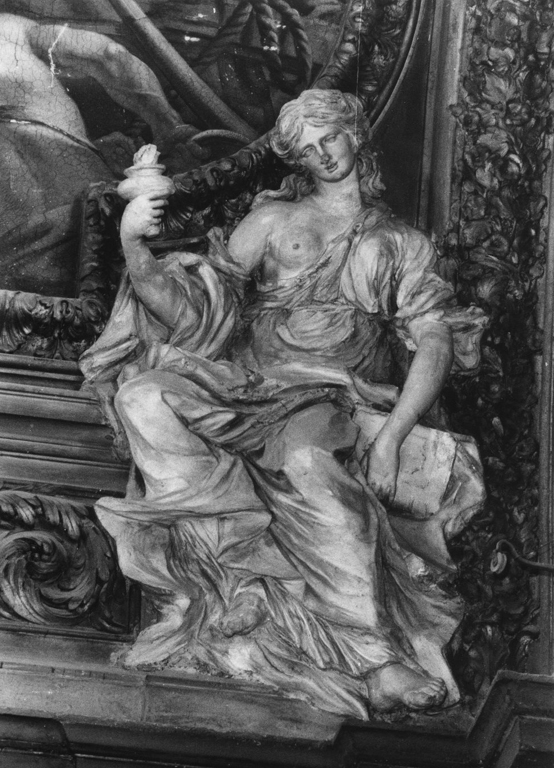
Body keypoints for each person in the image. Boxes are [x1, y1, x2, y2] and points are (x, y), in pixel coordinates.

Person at [81, 90, 487, 719]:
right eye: (306, 147)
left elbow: (433, 342)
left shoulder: (401, 244)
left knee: (307, 464)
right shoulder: (272, 221)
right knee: (143, 396)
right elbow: (194, 312)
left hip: (327, 394)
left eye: (330, 137)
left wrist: (390, 440)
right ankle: (239, 571)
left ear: (355, 133)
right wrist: (135, 245)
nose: (322, 154)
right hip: (244, 386)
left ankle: (375, 657)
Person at [0, 12, 197, 296]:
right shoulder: (9, 30)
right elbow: (110, 56)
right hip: (94, 222)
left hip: (14, 267)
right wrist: (169, 126)